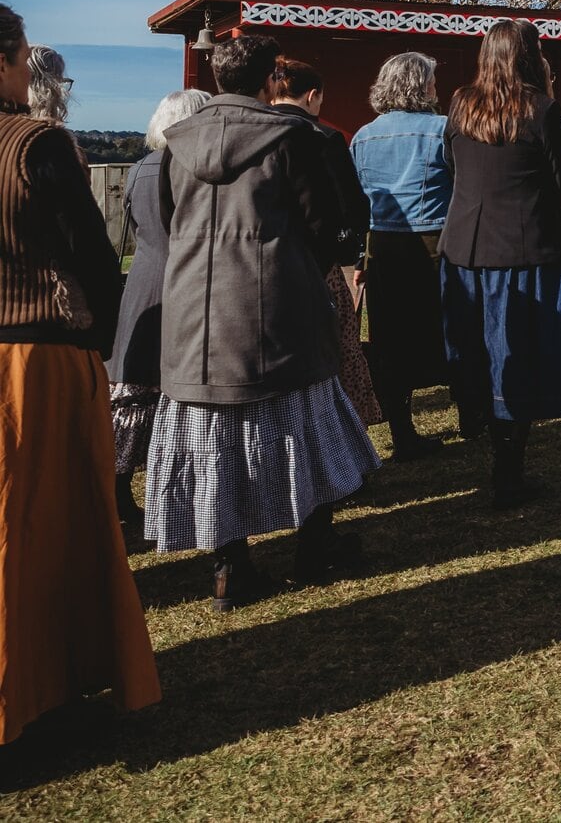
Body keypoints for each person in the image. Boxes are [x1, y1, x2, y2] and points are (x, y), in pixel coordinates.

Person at [147, 34, 380, 610]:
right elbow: (323, 223)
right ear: (271, 81)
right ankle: (314, 543)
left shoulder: (175, 144)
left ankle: (231, 565)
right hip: (279, 305)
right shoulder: (293, 137)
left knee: (214, 438)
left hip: (194, 315)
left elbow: (166, 220)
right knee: (303, 422)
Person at [0, 2, 159, 740]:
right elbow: (94, 259)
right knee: (52, 525)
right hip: (38, 357)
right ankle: (45, 684)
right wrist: (101, 332)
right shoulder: (39, 143)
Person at [439, 20, 561, 510]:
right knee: (519, 353)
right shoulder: (542, 109)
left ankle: (492, 442)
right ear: (528, 56)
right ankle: (508, 470)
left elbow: (452, 168)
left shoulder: (460, 104)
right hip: (522, 251)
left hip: (467, 249)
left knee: (481, 350)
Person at [350, 52, 464, 457]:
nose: (437, 87)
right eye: (432, 80)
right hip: (435, 241)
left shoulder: (363, 136)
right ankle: (471, 415)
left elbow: (357, 201)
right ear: (421, 85)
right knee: (453, 329)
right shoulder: (443, 130)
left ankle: (402, 431)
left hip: (382, 243)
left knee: (390, 340)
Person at [107, 87, 211, 531]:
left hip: (143, 283)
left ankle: (118, 491)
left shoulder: (138, 169)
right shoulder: (191, 168)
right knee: (173, 393)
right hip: (184, 283)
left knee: (132, 393)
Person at [269, 56, 383, 427]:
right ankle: (349, 426)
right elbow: (347, 202)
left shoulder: (257, 133)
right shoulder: (323, 137)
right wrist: (351, 253)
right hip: (319, 260)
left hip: (265, 262)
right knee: (342, 345)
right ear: (314, 96)